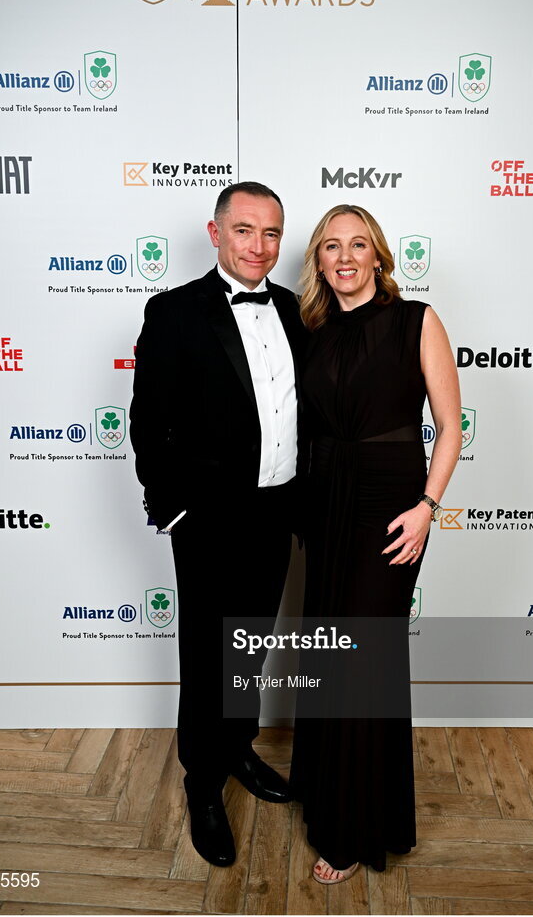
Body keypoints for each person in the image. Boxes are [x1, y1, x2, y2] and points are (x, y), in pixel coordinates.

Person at [129, 181, 307, 868]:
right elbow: (149, 422)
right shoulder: (174, 312)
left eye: (270, 234)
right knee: (207, 659)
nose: (259, 247)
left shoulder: (294, 310)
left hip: (275, 512)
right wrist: (169, 507)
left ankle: (238, 751)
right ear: (214, 232)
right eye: (244, 231)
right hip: (205, 520)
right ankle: (201, 785)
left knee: (250, 648)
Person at [289, 204, 461, 884]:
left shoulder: (416, 320)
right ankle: (331, 789)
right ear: (319, 261)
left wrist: (426, 508)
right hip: (324, 503)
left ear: (379, 257)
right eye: (331, 246)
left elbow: (448, 427)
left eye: (358, 244)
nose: (345, 256)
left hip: (391, 507)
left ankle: (354, 827)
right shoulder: (311, 331)